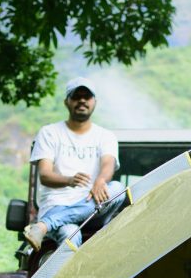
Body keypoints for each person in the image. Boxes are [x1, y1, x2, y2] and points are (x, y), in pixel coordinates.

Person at [22, 76, 125, 250]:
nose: (82, 100)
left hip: (93, 212)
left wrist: (100, 181)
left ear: (95, 102)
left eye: (87, 96)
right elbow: (45, 175)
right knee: (70, 234)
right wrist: (69, 180)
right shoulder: (49, 133)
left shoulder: (106, 136)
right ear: (66, 102)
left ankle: (43, 226)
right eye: (76, 96)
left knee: (117, 189)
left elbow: (108, 163)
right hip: (56, 206)